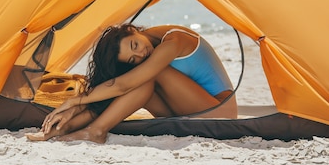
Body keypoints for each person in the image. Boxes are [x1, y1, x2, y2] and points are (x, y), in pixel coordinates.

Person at [26, 24, 237, 143]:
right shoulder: (148, 50)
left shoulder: (174, 41)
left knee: (148, 74)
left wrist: (73, 101)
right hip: (185, 112)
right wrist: (75, 110)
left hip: (219, 111)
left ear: (133, 30)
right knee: (140, 82)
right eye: (132, 58)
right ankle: (65, 128)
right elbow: (118, 87)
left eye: (135, 44)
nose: (140, 53)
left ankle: (97, 131)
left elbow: (123, 85)